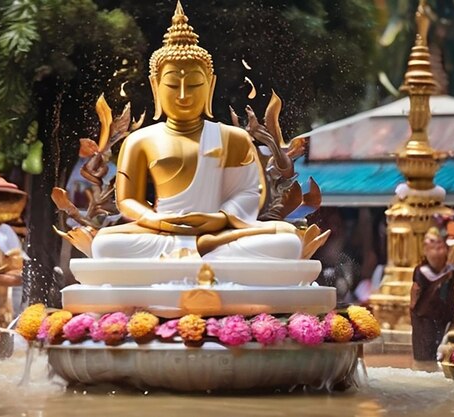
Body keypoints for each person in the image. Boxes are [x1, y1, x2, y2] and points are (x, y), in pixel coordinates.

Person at [90, 2, 301, 260]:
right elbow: (127, 201)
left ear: (210, 86)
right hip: (163, 234)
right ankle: (202, 249)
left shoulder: (233, 138)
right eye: (172, 85)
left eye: (193, 85)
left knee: (286, 239)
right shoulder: (139, 141)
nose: (182, 95)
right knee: (104, 244)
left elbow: (249, 193)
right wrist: (156, 221)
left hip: (220, 230)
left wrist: (220, 219)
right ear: (155, 86)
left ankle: (207, 245)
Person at [410, 224, 454, 361]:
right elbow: (415, 295)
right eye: (432, 247)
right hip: (425, 319)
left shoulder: (452, 271)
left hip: (444, 317)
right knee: (425, 356)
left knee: (445, 351)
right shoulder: (421, 272)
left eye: (440, 246)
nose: (437, 251)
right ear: (425, 250)